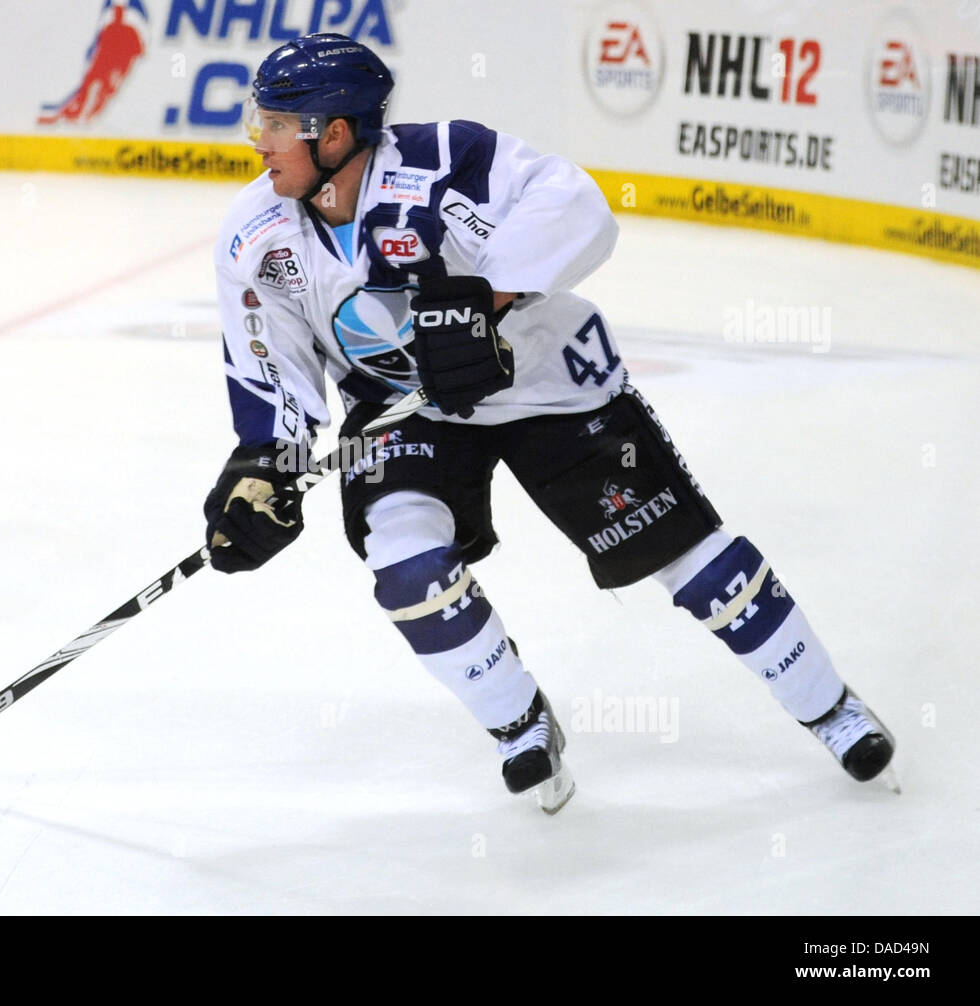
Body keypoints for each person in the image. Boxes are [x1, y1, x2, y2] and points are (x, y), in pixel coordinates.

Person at [203, 33, 895, 812]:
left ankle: (832, 708)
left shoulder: (447, 159)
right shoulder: (254, 231)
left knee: (696, 563)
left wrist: (485, 295)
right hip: (405, 407)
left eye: (271, 123)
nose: (256, 141)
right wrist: (267, 463)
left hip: (546, 383)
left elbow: (577, 205)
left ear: (333, 134)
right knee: (407, 570)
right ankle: (520, 724)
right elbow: (275, 363)